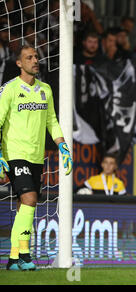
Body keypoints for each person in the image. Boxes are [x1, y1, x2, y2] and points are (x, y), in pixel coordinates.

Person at [0, 45, 73, 271]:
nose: (35, 60)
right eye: (29, 57)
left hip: (36, 156)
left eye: (36, 57)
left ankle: (13, 258)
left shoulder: (46, 90)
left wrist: (63, 146)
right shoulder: (9, 89)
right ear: (19, 64)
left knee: (25, 205)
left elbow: (51, 120)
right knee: (30, 199)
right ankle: (25, 253)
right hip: (15, 153)